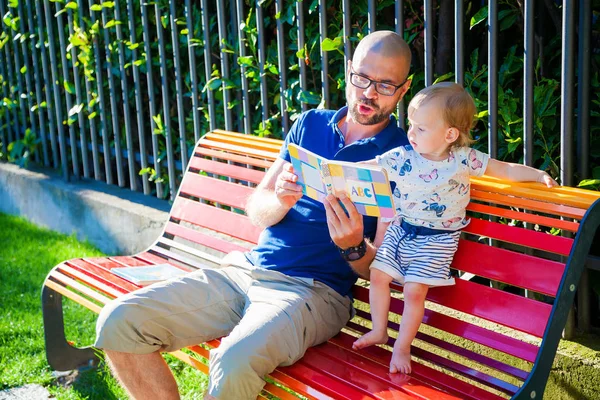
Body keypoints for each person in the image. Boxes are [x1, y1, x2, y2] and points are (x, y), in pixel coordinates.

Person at [94, 30, 413, 400]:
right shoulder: (309, 124)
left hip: (314, 293)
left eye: (385, 85)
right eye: (362, 79)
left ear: (403, 90)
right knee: (119, 322)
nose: (369, 93)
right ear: (348, 72)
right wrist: (280, 200)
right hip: (245, 270)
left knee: (233, 362)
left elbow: (395, 273)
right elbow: (258, 210)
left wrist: (354, 246)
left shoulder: (403, 158)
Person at [351, 82, 558, 374]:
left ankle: (402, 346)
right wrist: (339, 173)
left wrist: (537, 175)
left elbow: (504, 169)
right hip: (402, 229)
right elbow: (368, 166)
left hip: (437, 239)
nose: (411, 133)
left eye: (420, 129)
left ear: (449, 135)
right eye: (411, 125)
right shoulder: (401, 157)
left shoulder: (463, 159)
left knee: (413, 290)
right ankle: (379, 330)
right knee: (378, 274)